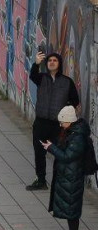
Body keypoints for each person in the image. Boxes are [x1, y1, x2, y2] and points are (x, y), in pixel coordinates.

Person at [27, 51, 80, 191]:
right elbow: (32, 75)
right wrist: (36, 63)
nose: (51, 62)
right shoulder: (42, 78)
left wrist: (65, 112)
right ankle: (41, 180)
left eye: (55, 60)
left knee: (59, 152)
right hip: (41, 122)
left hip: (58, 125)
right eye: (49, 60)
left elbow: (75, 100)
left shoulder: (67, 82)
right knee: (39, 152)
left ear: (59, 64)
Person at [44, 105, 89, 230]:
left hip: (72, 179)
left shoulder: (78, 137)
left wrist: (51, 148)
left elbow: (67, 156)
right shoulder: (72, 133)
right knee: (71, 211)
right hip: (68, 178)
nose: (60, 125)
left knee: (72, 212)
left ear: (69, 121)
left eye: (62, 122)